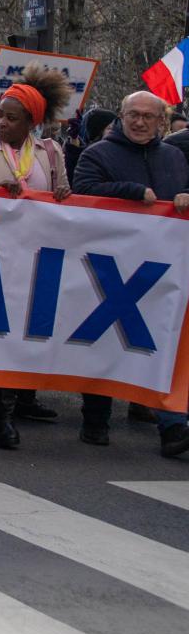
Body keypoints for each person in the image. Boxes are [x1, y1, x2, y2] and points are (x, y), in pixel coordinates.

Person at [73, 90, 189, 457]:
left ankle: (172, 426)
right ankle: (95, 419)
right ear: (121, 117)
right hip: (108, 266)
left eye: (148, 116)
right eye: (133, 115)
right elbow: (83, 193)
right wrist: (132, 192)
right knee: (103, 343)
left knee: (163, 344)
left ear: (161, 121)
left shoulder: (174, 157)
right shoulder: (97, 154)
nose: (139, 122)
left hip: (159, 269)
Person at [0, 65, 73, 449]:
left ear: (32, 122)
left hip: (33, 258)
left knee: (18, 336)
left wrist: (60, 195)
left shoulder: (51, 152)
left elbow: (64, 197)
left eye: (12, 118)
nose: (1, 123)